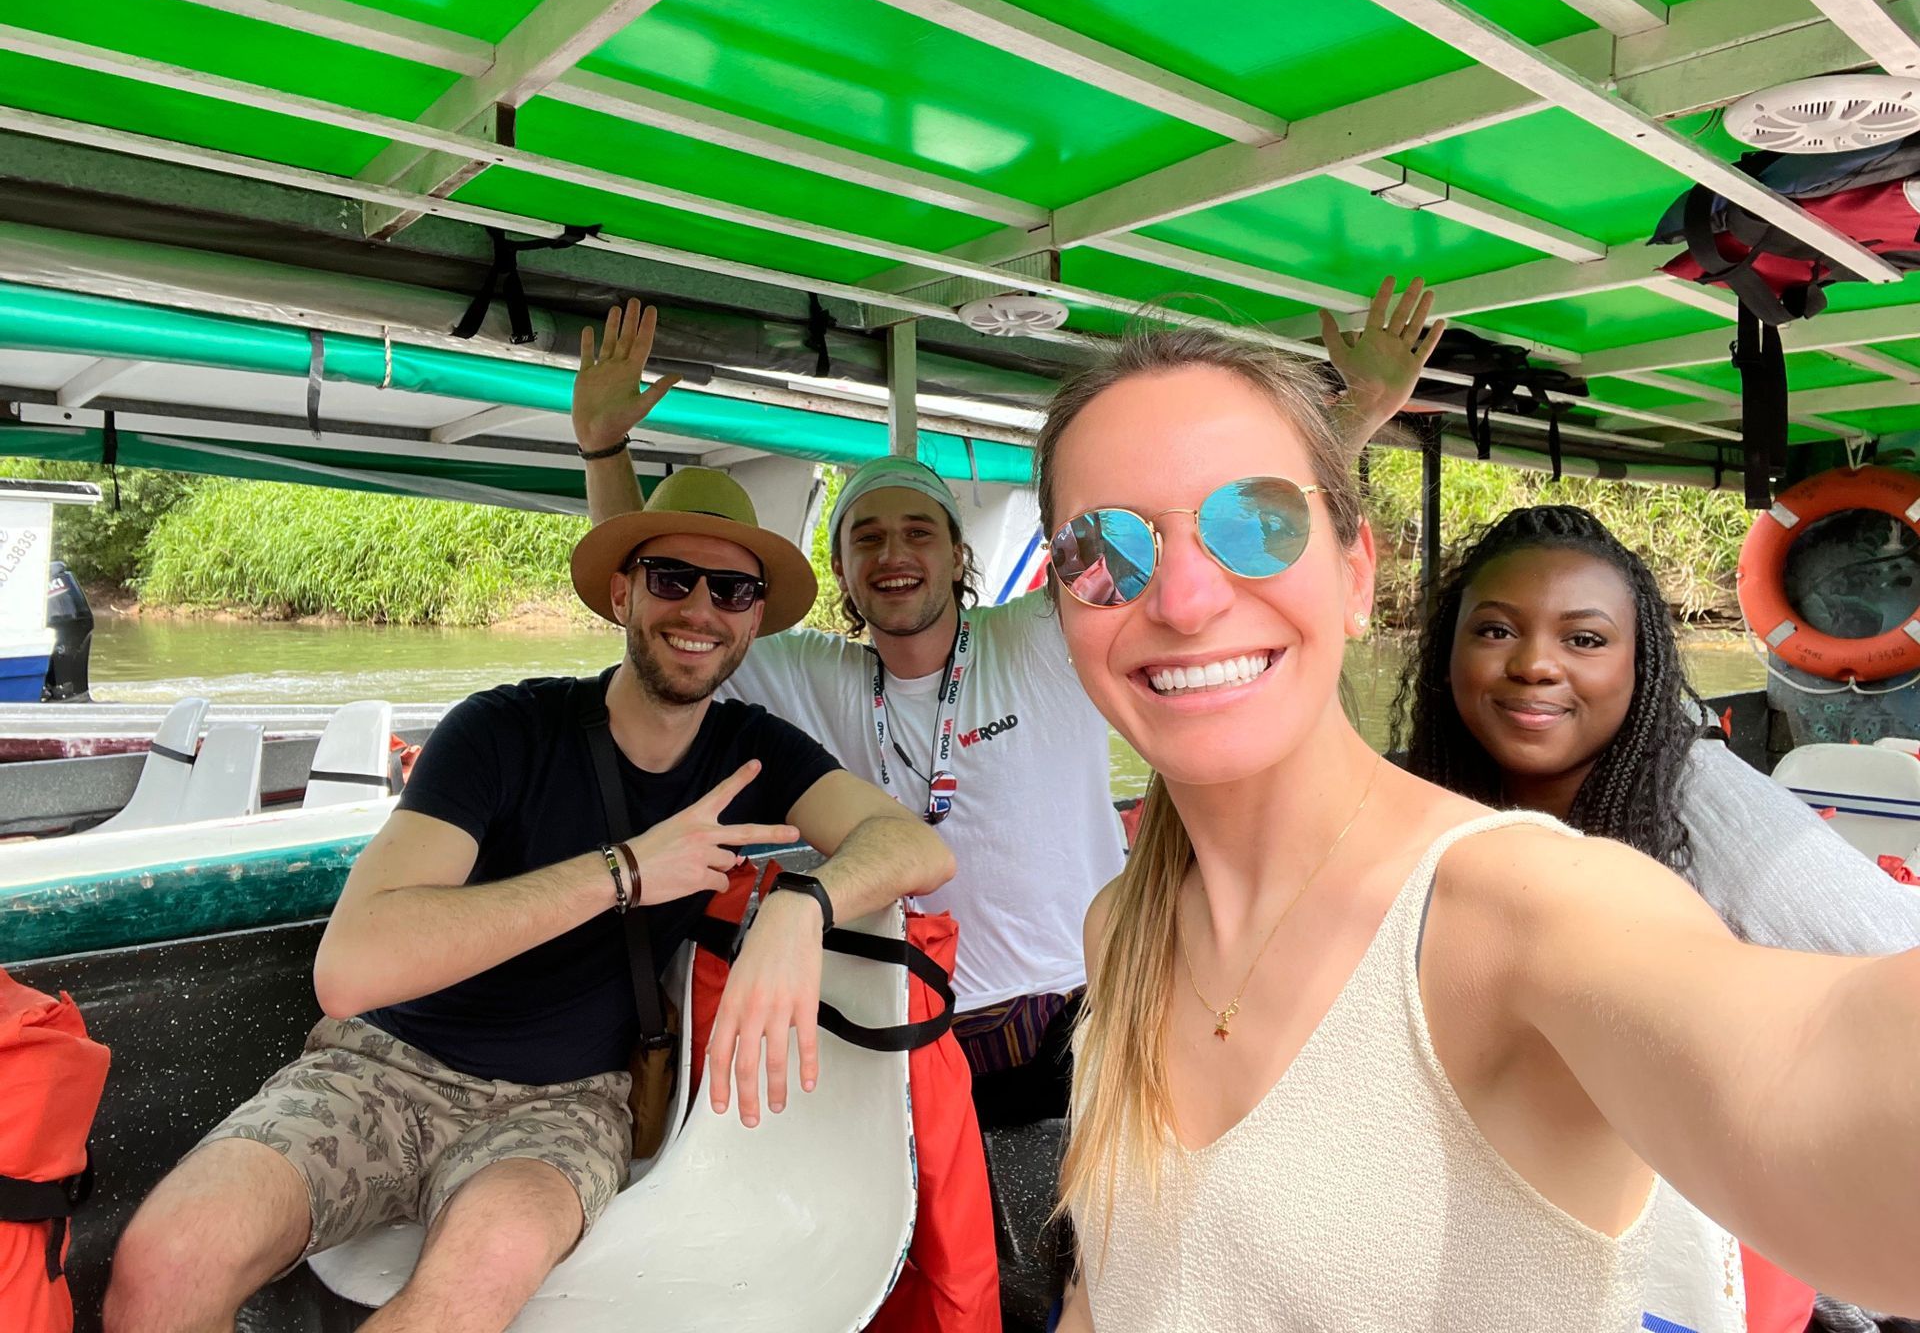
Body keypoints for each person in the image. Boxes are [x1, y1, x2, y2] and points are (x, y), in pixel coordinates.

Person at [1034, 329, 1920, 1331]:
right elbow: (1108, 1290)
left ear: (1357, 575)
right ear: (1064, 606)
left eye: (1261, 523)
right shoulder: (1123, 931)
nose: (1186, 600)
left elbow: (1809, 1070)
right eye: (1102, 551)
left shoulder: (1523, 912)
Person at [103, 467, 955, 1333]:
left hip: (563, 1107)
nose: (700, 608)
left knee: (457, 1303)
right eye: (672, 579)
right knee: (166, 1259)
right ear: (622, 593)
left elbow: (914, 846)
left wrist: (799, 906)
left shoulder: (751, 753)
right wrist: (623, 871)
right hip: (377, 1069)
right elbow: (351, 966)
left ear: (751, 620)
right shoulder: (502, 731)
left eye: (732, 589)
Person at [570, 287, 1443, 1128]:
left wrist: (1354, 414)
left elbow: (1205, 535)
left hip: (1089, 1004)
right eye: (865, 538)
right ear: (841, 572)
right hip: (910, 1024)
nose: (893, 554)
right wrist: (604, 453)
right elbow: (657, 619)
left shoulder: (1042, 633)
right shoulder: (809, 675)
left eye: (918, 532)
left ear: (957, 555)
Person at [1393, 502, 1920, 955]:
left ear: (1640, 671)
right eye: (1496, 630)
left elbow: (1893, 963)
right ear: (1448, 656)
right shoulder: (1439, 796)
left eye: (1585, 640)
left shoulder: (1710, 811)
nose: (1535, 664)